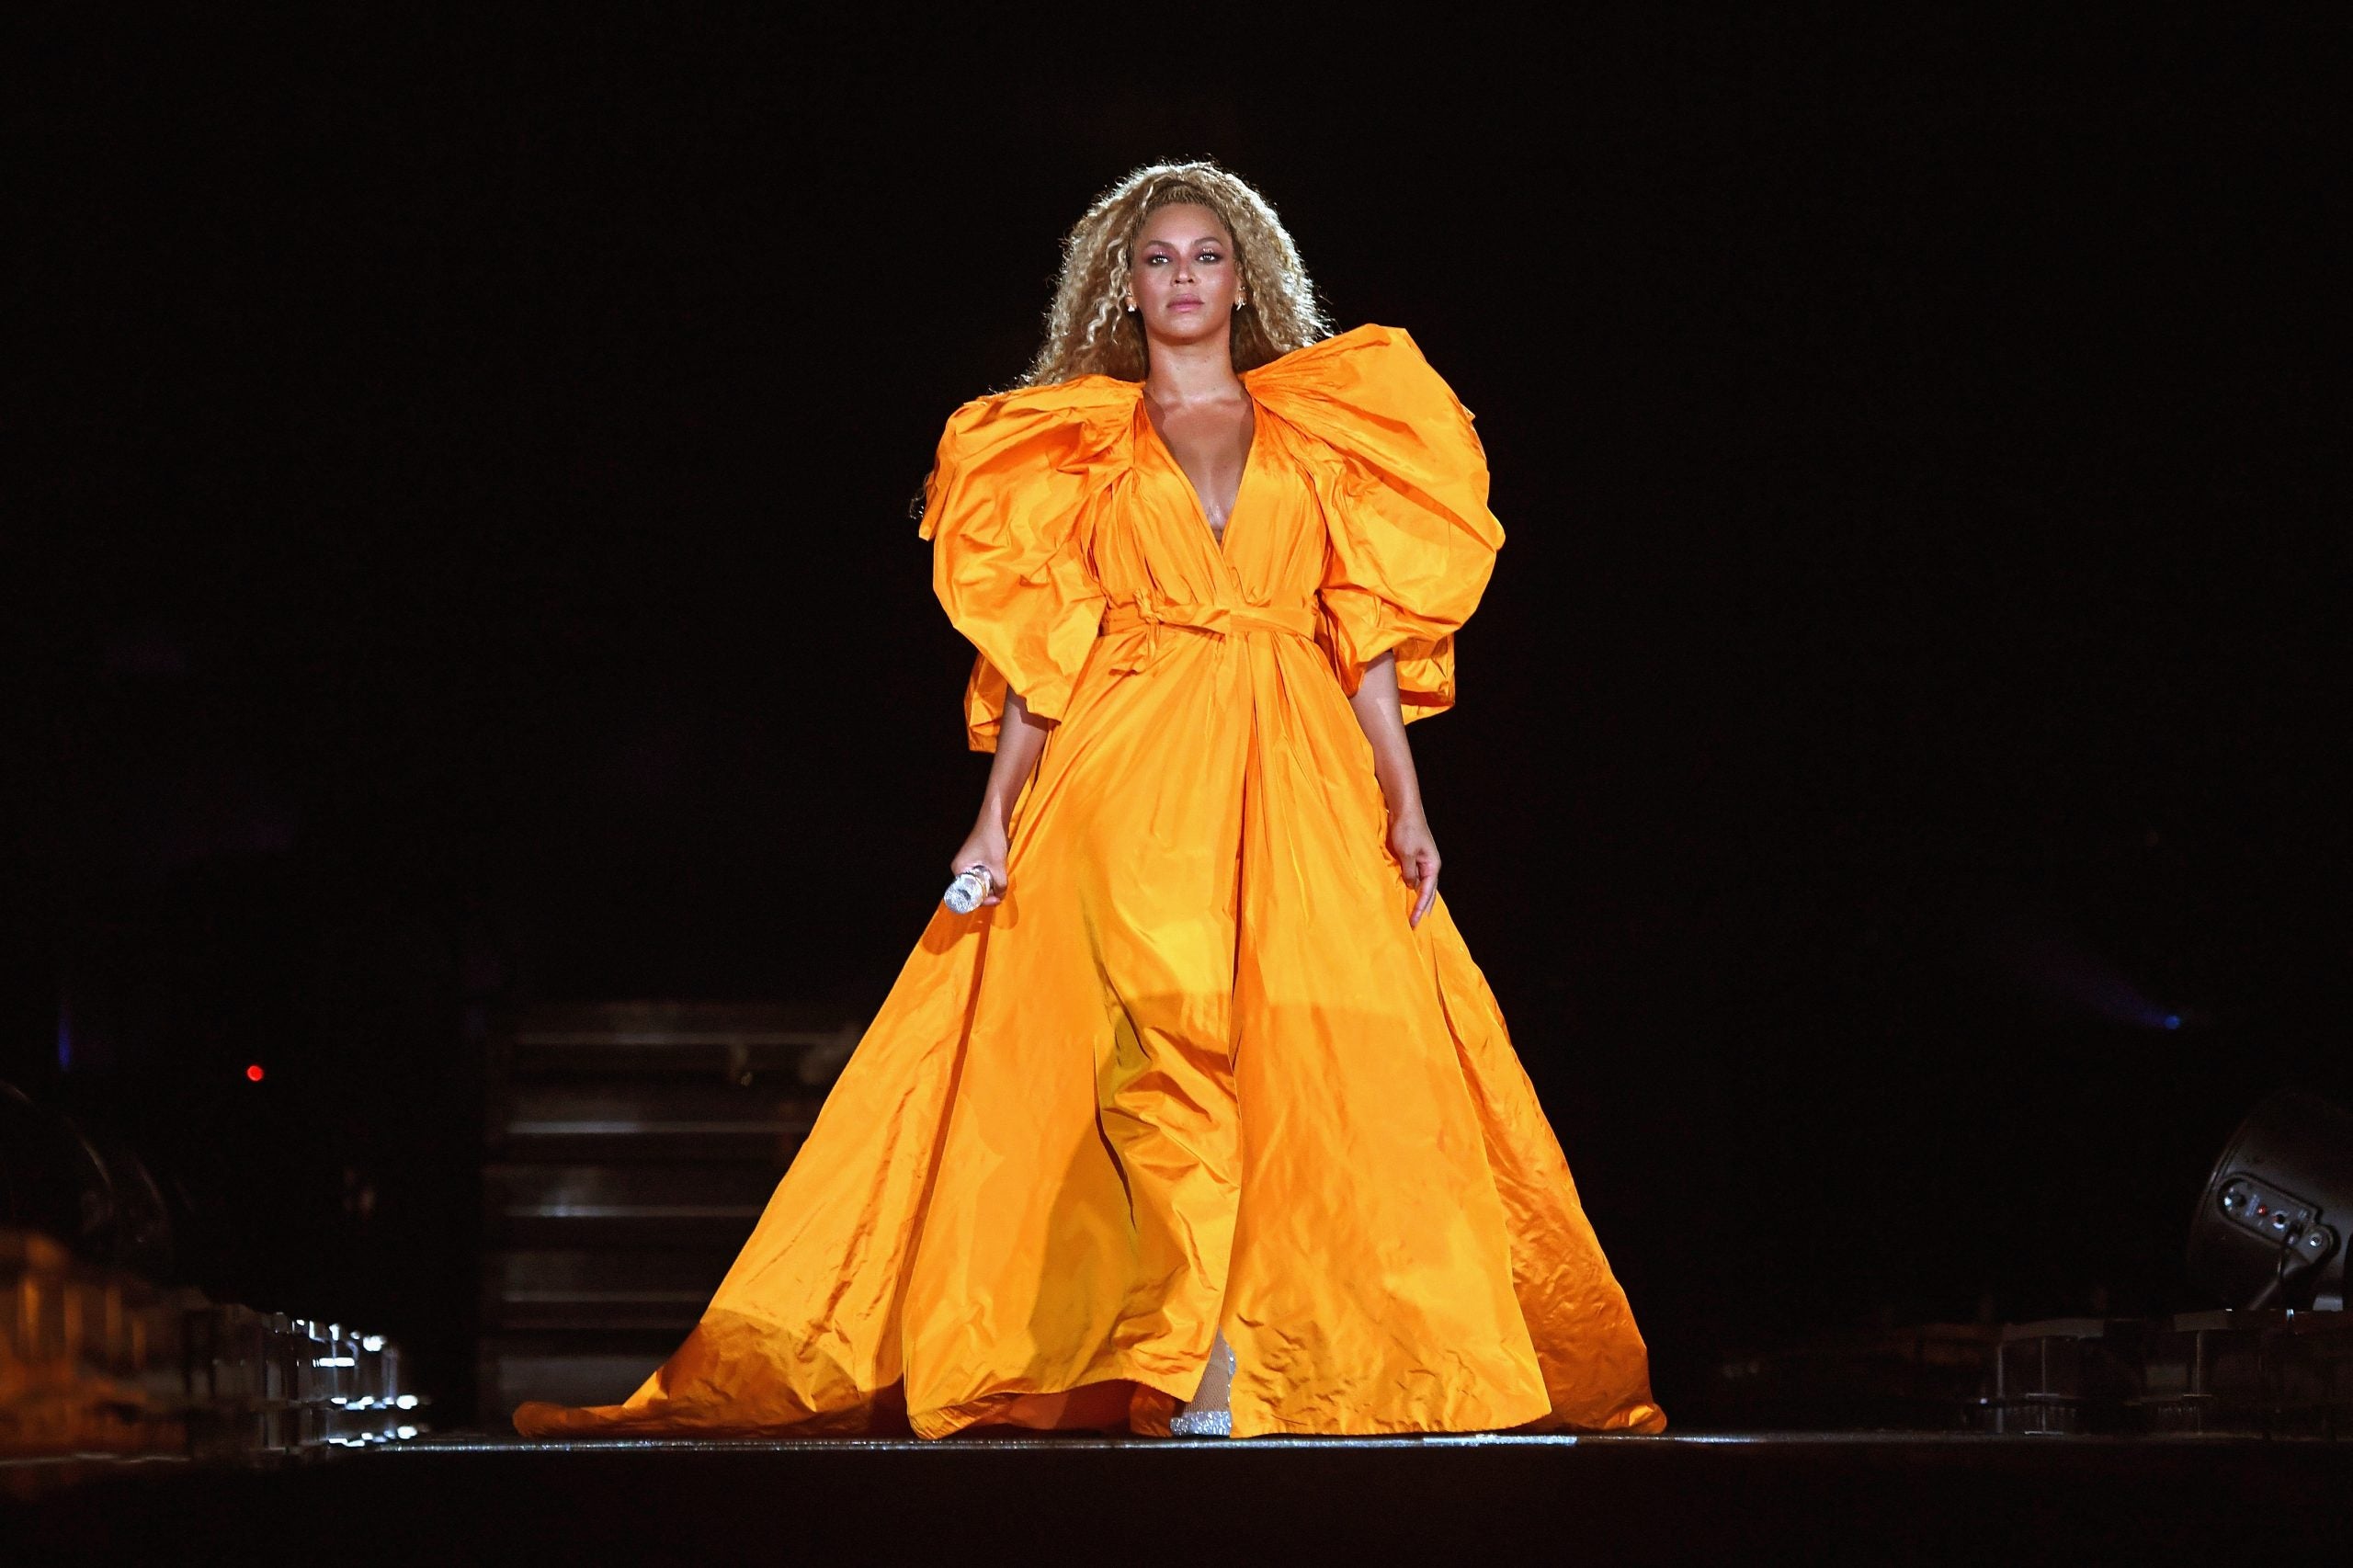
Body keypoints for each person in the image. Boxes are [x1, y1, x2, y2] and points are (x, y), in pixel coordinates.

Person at [514, 161, 1665, 1441]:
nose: (1184, 278)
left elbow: (1365, 643)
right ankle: (1192, 1360)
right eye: (1159, 258)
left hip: (1294, 763)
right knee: (1167, 1043)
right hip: (1130, 764)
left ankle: (1261, 1342)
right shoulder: (1078, 444)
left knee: (1305, 1054)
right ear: (1124, 286)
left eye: (1207, 256)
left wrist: (1408, 801)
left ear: (1246, 281)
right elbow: (1042, 657)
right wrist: (993, 814)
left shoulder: (1315, 437)